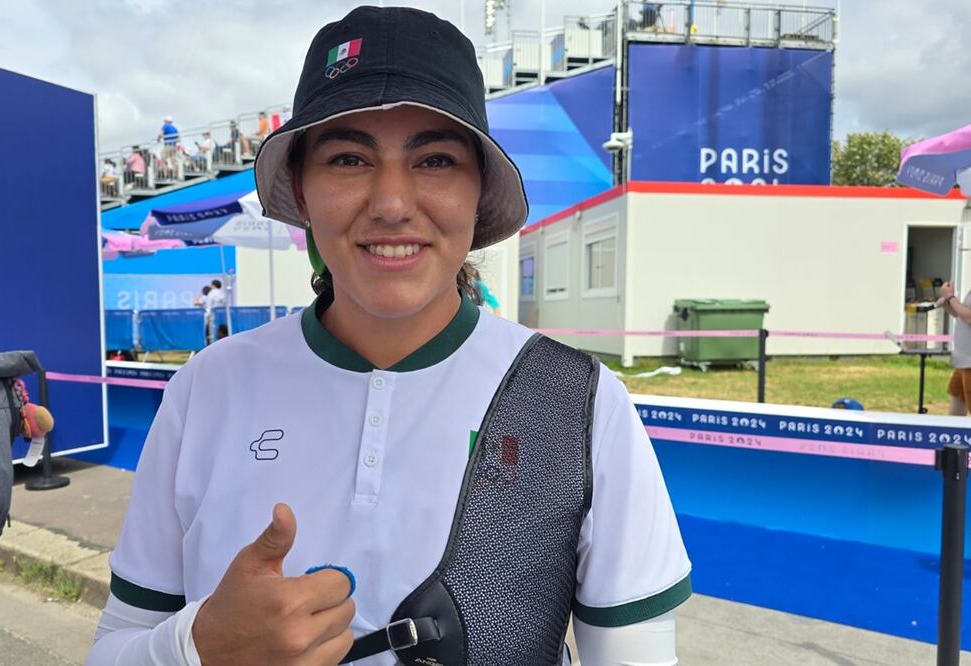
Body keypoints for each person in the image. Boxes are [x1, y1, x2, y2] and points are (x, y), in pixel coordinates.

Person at [87, 7, 690, 666]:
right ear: (300, 186)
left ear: (478, 188)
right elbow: (115, 643)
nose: (392, 202)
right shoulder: (207, 387)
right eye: (348, 158)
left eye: (433, 160)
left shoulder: (577, 402)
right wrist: (194, 648)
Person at [937, 280, 971, 415]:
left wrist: (951, 297)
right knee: (956, 397)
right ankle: (951, 433)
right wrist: (948, 305)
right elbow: (962, 315)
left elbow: (969, 317)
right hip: (963, 360)